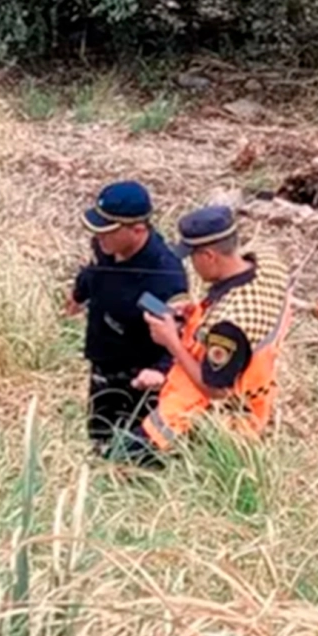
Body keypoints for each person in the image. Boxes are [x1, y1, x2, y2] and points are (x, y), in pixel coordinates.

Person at [120, 205, 292, 466]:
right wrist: (194, 315)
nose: (191, 264)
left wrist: (172, 342)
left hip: (220, 421)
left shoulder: (230, 324)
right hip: (256, 395)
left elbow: (216, 390)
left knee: (116, 457)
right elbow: (230, 316)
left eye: (193, 257)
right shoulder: (268, 264)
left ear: (209, 256)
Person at [68, 181, 189, 452]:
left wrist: (159, 371)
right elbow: (94, 271)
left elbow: (177, 334)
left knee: (130, 455)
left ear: (138, 229)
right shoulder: (105, 247)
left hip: (140, 380)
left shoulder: (164, 277)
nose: (99, 238)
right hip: (102, 364)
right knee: (99, 439)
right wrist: (79, 293)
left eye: (107, 231)